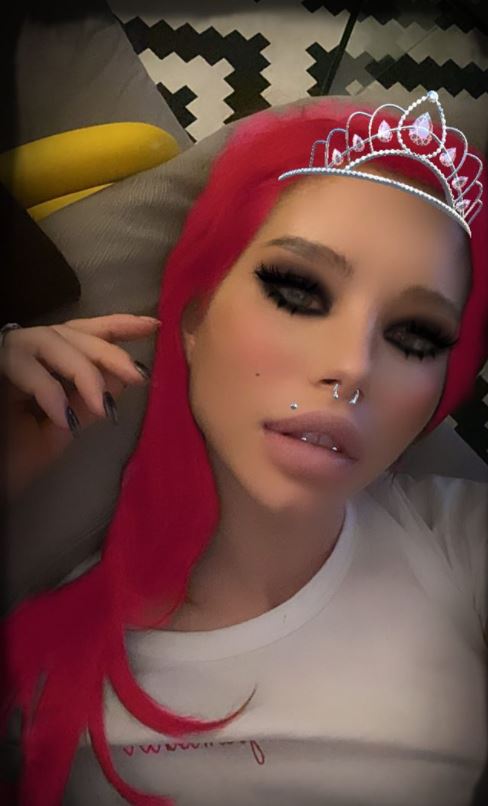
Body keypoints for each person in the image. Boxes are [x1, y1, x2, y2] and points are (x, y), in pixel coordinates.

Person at [1, 91, 487, 806]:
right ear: (195, 316)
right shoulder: (36, 665)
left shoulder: (459, 543)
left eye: (417, 336)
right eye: (298, 292)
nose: (352, 367)